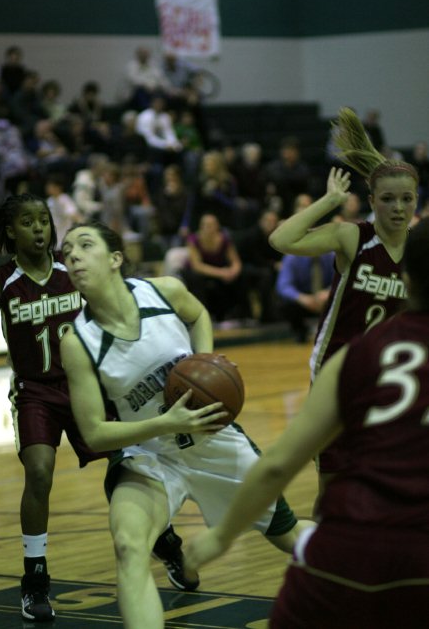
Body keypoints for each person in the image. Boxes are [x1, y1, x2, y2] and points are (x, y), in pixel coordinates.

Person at [59, 221, 313, 629]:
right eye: (67, 250)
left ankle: (377, 570)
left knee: (286, 536)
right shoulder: (78, 342)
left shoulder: (164, 291)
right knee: (128, 546)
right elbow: (93, 433)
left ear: (115, 259)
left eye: (84, 245)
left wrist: (205, 365)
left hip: (213, 442)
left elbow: (199, 316)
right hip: (149, 455)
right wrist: (166, 420)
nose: (72, 255)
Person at [185, 216, 429, 629]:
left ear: (405, 277)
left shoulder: (360, 354)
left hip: (344, 548)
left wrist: (220, 536)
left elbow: (278, 463)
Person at [0, 195, 201, 621]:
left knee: (124, 468)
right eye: (28, 222)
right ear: (11, 231)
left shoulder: (73, 269)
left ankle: (166, 541)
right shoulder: (0, 281)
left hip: (87, 386)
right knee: (39, 471)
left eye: (44, 220)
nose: (40, 228)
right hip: (35, 391)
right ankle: (35, 578)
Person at [268, 107, 419, 500]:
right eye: (388, 199)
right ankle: (326, 552)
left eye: (407, 199)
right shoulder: (354, 237)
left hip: (391, 370)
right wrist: (328, 202)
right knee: (334, 479)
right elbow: (281, 241)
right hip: (337, 367)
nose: (398, 208)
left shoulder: (420, 248)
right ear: (372, 200)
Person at [181, 213, 251, 324]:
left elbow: (236, 261)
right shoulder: (193, 240)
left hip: (219, 271)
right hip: (198, 272)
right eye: (206, 225)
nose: (209, 228)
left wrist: (233, 271)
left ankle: (244, 316)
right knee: (196, 279)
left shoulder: (224, 239)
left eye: (212, 225)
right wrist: (222, 273)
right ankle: (201, 318)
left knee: (242, 276)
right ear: (201, 226)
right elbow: (197, 266)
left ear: (217, 226)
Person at [276, 252, 334, 342]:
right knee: (284, 303)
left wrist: (329, 292)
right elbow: (283, 286)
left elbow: (342, 279)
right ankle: (300, 331)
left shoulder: (333, 256)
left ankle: (336, 332)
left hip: (327, 299)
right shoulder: (291, 258)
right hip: (304, 300)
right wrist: (301, 298)